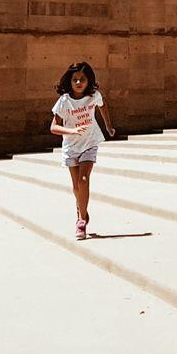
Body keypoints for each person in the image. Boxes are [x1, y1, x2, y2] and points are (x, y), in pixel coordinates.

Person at [50, 61, 113, 240]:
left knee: (84, 179)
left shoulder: (94, 96)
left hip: (89, 143)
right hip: (71, 147)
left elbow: (103, 106)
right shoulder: (64, 101)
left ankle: (81, 221)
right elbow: (53, 127)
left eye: (82, 80)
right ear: (69, 82)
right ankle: (82, 210)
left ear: (89, 81)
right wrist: (71, 131)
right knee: (77, 185)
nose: (78, 83)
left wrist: (108, 126)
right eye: (75, 80)